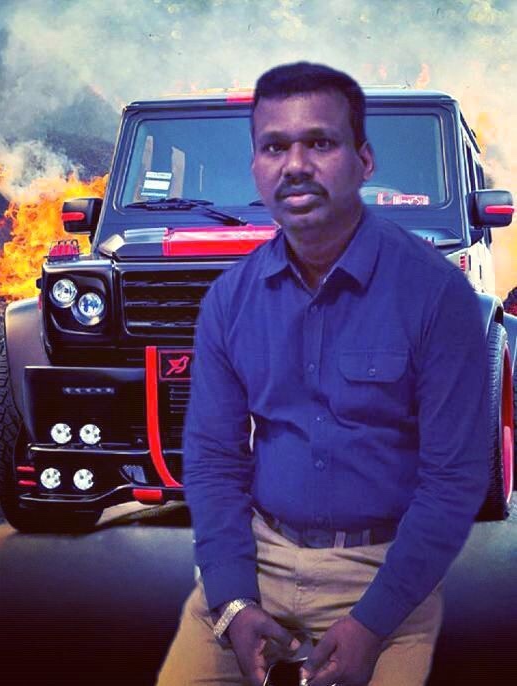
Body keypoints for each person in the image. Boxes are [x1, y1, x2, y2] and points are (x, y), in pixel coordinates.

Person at [158, 62, 489, 686]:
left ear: (364, 161)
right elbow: (213, 461)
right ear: (256, 167)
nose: (295, 165)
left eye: (320, 142)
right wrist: (232, 602)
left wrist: (372, 624)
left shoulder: (438, 295)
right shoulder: (229, 300)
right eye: (274, 147)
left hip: (386, 574)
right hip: (258, 559)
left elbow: (454, 479)